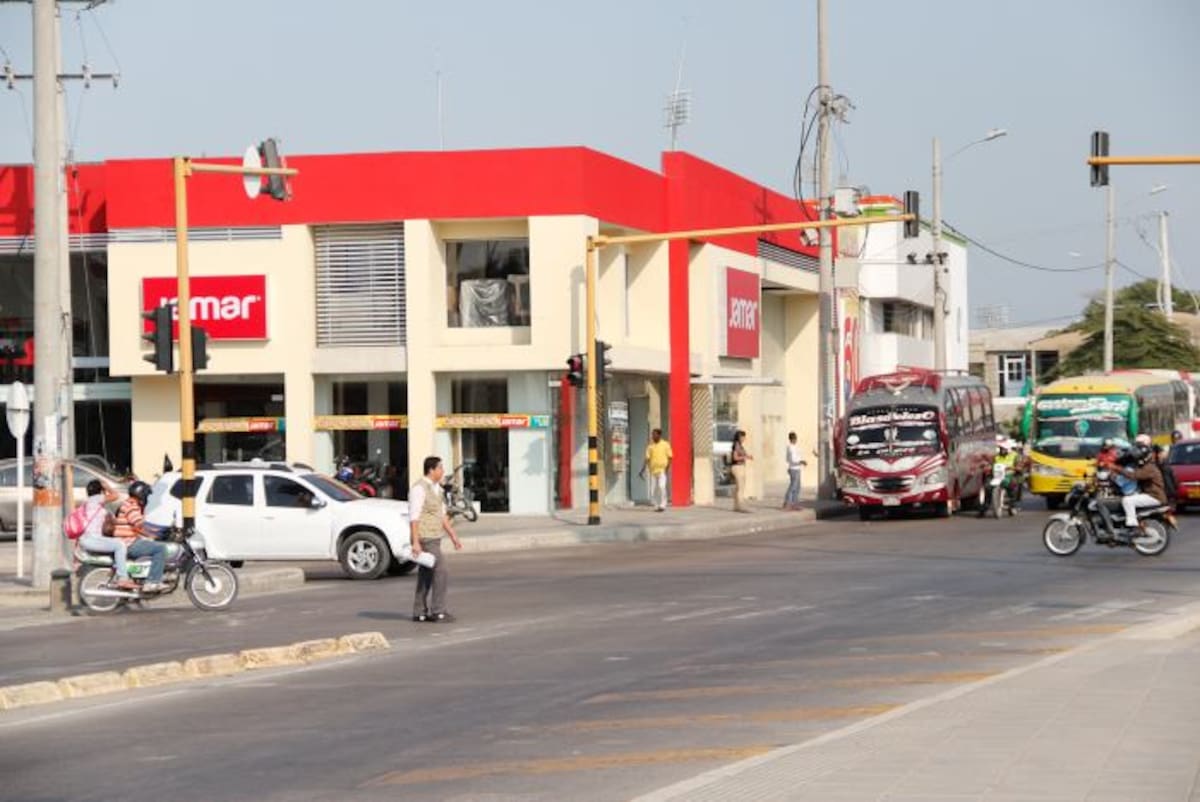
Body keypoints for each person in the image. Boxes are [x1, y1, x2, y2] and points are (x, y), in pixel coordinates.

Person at [410, 456, 463, 623]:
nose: (442, 472)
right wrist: (415, 541)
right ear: (431, 470)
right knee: (441, 570)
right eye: (440, 468)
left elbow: (441, 516)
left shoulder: (437, 489)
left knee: (426, 574)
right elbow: (414, 517)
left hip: (435, 536)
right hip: (425, 537)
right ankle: (438, 611)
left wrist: (453, 535)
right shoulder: (419, 489)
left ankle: (419, 611)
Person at [77, 479, 136, 591]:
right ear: (101, 491)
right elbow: (116, 495)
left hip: (87, 539)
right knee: (120, 545)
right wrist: (107, 486)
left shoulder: (88, 503)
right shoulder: (96, 499)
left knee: (115, 544)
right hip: (93, 540)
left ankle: (117, 569)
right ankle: (123, 578)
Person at [113, 480, 169, 592]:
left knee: (151, 544)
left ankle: (146, 577)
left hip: (127, 541)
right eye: (146, 495)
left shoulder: (128, 504)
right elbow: (138, 527)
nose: (147, 498)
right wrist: (154, 535)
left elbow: (139, 525)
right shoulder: (132, 506)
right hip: (129, 543)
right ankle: (152, 582)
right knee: (160, 549)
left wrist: (158, 530)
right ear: (141, 495)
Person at [1119, 434, 1168, 532]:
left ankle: (1132, 525)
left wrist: (1118, 470)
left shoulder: (1149, 467)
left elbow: (1134, 475)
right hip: (1151, 493)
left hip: (1154, 496)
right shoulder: (1146, 463)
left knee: (1127, 501)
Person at [640, 428, 673, 512]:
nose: (653, 436)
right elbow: (647, 458)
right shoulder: (650, 446)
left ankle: (662, 505)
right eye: (652, 434)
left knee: (662, 487)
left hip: (662, 470)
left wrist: (667, 469)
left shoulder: (665, 444)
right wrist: (642, 470)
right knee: (654, 489)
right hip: (653, 471)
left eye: (654, 434)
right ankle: (656, 505)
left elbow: (670, 457)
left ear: (659, 435)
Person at [1153, 443, 1179, 524]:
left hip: (1166, 491)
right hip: (1169, 491)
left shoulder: (1158, 466)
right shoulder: (1164, 464)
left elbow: (1173, 479)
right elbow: (1174, 479)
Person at [730, 430, 753, 513]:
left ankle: (736, 505)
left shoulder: (740, 446)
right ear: (738, 437)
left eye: (744, 437)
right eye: (742, 437)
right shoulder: (736, 446)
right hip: (737, 467)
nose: (744, 438)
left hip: (741, 467)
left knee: (738, 487)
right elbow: (735, 458)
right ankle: (741, 505)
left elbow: (742, 455)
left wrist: (747, 456)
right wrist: (745, 457)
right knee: (740, 487)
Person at [783, 432, 807, 510]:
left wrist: (800, 462)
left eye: (795, 438)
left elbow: (788, 459)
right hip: (793, 469)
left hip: (797, 468)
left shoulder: (794, 447)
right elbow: (792, 459)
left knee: (797, 487)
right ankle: (787, 503)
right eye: (794, 438)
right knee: (793, 486)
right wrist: (801, 462)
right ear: (791, 439)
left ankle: (794, 503)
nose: (795, 439)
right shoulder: (790, 447)